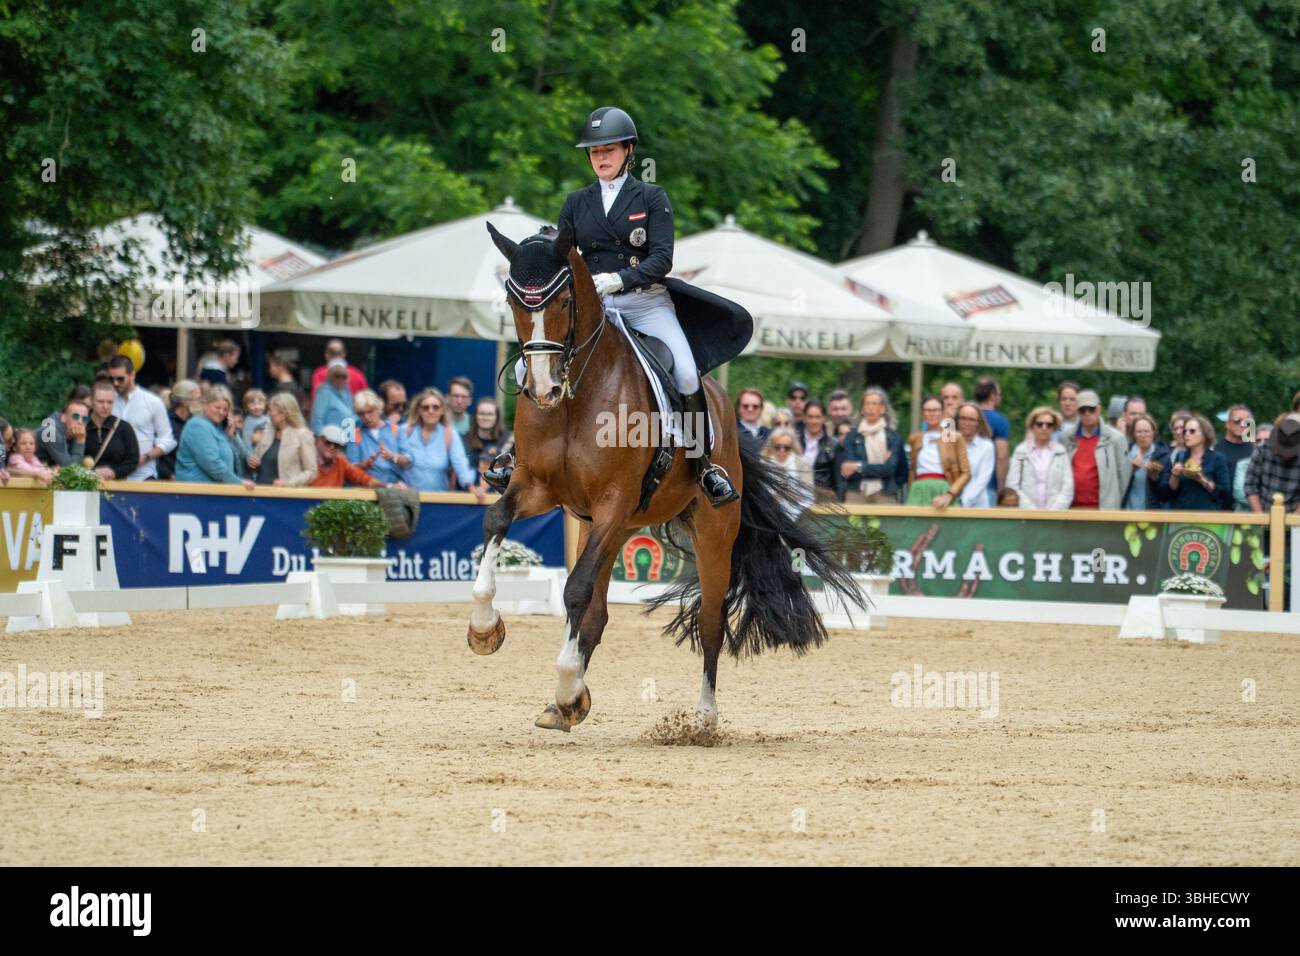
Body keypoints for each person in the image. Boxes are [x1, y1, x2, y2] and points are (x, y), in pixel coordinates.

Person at [542, 106, 737, 506]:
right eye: (594, 152)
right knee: (540, 360)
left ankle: (704, 467)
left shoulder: (650, 196)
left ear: (629, 151)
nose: (601, 158)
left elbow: (661, 259)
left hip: (645, 304)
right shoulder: (576, 202)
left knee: (685, 373)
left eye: (609, 149)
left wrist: (621, 278)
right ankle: (521, 455)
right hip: (594, 309)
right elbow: (561, 253)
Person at [392, 387, 486, 499]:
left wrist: (471, 488)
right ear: (419, 410)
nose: (430, 411)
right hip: (407, 500)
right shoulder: (404, 431)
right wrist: (394, 483)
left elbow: (460, 462)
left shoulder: (450, 434)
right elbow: (391, 460)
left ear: (442, 411)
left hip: (438, 501)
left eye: (435, 407)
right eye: (425, 407)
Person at [834, 386, 907, 504]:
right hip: (856, 492)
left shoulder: (893, 437)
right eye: (867, 404)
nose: (870, 408)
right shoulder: (851, 437)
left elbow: (891, 469)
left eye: (874, 404)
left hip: (885, 493)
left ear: (883, 409)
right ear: (862, 409)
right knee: (852, 523)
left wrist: (858, 466)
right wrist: (880, 468)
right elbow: (848, 467)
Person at [108, 355, 175, 480]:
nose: (115, 383)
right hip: (112, 474)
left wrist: (146, 457)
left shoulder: (152, 401)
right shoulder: (108, 402)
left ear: (132, 375)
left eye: (120, 379)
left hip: (144, 475)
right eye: (111, 379)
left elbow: (167, 439)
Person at [174, 386, 255, 488]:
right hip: (196, 493)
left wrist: (232, 435)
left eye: (225, 409)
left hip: (212, 492)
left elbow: (236, 458)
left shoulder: (218, 428)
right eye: (217, 407)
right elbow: (212, 463)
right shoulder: (198, 425)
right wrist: (238, 483)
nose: (221, 412)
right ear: (205, 405)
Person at [1062, 389, 1128, 509]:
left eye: (1091, 409)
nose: (1087, 413)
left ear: (1098, 410)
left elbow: (1123, 478)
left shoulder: (1116, 438)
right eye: (1083, 410)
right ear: (1077, 412)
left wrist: (1112, 502)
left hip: (1103, 509)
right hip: (1071, 508)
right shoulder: (1066, 438)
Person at [906, 395, 969, 509]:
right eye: (927, 410)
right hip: (918, 490)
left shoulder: (953, 437)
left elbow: (966, 473)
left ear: (942, 412)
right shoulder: (915, 438)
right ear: (922, 413)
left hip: (944, 489)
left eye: (935, 410)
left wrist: (950, 494)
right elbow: (912, 470)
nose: (931, 413)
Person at [1158, 413, 1231, 510]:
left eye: (1192, 431)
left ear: (1204, 434)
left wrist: (1202, 480)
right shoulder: (1181, 457)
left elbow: (1224, 493)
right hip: (1181, 516)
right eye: (1185, 431)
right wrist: (1174, 475)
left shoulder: (1217, 458)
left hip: (1207, 517)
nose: (1186, 434)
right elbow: (1169, 493)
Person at [1005, 407, 1074, 510]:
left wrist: (1054, 512)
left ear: (1053, 428)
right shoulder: (1020, 451)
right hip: (1026, 516)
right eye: (1039, 424)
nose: (1044, 428)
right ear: (1032, 426)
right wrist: (1031, 511)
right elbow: (1012, 485)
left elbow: (1068, 488)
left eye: (1049, 425)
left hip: (1055, 516)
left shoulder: (1061, 452)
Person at [249, 393, 316, 487]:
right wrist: (253, 463)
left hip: (286, 496)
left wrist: (289, 483)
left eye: (271, 410)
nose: (268, 414)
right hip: (261, 493)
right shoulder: (267, 431)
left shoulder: (303, 434)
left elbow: (311, 472)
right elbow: (256, 462)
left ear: (284, 413)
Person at [84, 380, 140, 481]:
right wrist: (92, 472)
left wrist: (114, 472)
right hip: (85, 485)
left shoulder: (124, 427)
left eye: (110, 402)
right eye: (100, 402)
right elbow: (72, 459)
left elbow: (132, 460)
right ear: (91, 401)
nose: (105, 406)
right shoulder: (81, 425)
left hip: (117, 485)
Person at [347, 389, 404, 486]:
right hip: (367, 488)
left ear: (378, 409)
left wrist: (392, 456)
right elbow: (350, 469)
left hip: (394, 487)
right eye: (361, 413)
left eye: (370, 412)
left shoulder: (396, 429)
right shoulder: (353, 434)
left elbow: (409, 460)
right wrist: (364, 465)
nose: (366, 417)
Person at [1245, 414, 1300, 513]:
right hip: (1263, 513)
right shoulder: (1262, 450)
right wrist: (1260, 517)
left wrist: (1294, 522)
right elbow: (1250, 485)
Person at [311, 425, 389, 488]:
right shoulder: (307, 459)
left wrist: (388, 487)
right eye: (328, 442)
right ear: (318, 441)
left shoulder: (340, 462)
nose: (332, 447)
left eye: (337, 445)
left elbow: (362, 478)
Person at [1122, 413, 1170, 510]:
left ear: (1153, 432)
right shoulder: (1125, 452)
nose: (1143, 435)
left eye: (1146, 431)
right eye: (1139, 432)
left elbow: (1166, 494)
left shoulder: (1163, 456)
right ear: (1133, 434)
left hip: (1151, 513)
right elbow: (1116, 487)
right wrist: (1130, 471)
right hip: (1127, 511)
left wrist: (1154, 478)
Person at [158, 380, 201, 480]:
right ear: (185, 401)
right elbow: (157, 456)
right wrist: (168, 475)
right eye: (197, 399)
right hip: (169, 481)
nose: (200, 403)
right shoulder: (165, 423)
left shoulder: (198, 423)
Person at [954, 402, 995, 507]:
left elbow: (982, 479)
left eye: (971, 419)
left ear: (978, 422)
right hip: (948, 503)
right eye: (963, 418)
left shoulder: (986, 446)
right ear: (957, 420)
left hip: (976, 505)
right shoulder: (947, 443)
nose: (966, 423)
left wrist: (964, 501)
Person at [975, 376, 1010, 494]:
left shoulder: (962, 417)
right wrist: (1001, 489)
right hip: (989, 485)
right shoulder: (1000, 421)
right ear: (992, 395)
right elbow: (1002, 457)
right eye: (998, 394)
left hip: (963, 484)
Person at [464, 397, 512, 483]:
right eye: (481, 413)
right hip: (468, 492)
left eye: (490, 414)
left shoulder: (507, 440)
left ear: (496, 417)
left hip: (497, 492)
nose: (485, 417)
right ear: (475, 416)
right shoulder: (465, 439)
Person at [36, 395, 89, 468]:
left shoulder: (73, 431)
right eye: (75, 416)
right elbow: (70, 468)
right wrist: (80, 442)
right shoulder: (52, 432)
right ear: (63, 417)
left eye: (85, 418)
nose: (80, 422)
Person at [799, 399, 838, 498]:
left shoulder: (833, 445)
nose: (813, 421)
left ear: (824, 418)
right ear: (804, 418)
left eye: (817, 417)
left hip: (823, 498)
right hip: (796, 497)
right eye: (810, 417)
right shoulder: (794, 441)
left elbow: (837, 478)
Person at [1233, 423, 1273, 511]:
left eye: (1267, 440)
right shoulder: (1242, 464)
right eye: (1258, 440)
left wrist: (1255, 497)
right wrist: (1269, 501)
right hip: (1245, 518)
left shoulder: (1280, 465)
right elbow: (1240, 495)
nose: (1262, 444)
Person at [310, 360, 354, 433]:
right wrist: (321, 438)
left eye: (344, 377)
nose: (341, 379)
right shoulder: (324, 392)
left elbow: (351, 413)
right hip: (330, 439)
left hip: (348, 437)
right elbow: (317, 418)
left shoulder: (346, 391)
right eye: (337, 376)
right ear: (330, 377)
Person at [1215, 404, 1256, 477]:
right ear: (1227, 423)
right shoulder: (1214, 446)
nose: (1242, 425)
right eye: (1237, 421)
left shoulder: (1254, 449)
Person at [735, 388, 769, 457]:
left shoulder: (769, 434)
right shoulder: (732, 432)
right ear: (738, 408)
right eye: (745, 406)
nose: (750, 409)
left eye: (755, 406)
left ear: (761, 409)